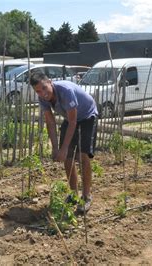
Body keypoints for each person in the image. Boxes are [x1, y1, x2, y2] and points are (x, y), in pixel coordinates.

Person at [30, 72, 98, 213]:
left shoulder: (65, 91)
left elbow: (73, 121)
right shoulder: (43, 98)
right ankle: (73, 194)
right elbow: (50, 121)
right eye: (38, 91)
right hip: (70, 118)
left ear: (49, 82)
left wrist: (64, 148)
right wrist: (56, 148)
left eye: (44, 88)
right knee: (67, 159)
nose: (43, 93)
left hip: (87, 116)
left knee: (83, 156)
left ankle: (86, 196)